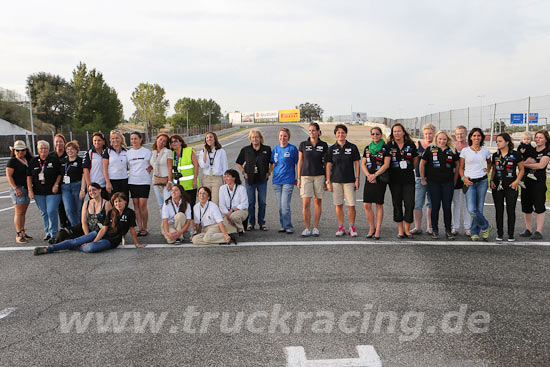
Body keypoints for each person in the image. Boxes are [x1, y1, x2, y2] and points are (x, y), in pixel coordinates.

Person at [34, 192, 143, 255]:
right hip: (98, 234)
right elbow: (104, 229)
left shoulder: (130, 213)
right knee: (74, 241)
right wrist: (94, 240)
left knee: (91, 248)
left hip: (111, 241)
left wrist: (137, 244)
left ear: (125, 201)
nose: (118, 203)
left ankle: (77, 247)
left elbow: (132, 229)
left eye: (120, 201)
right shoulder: (111, 212)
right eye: (115, 202)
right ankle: (48, 249)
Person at [419, 131, 459, 240]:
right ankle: (435, 230)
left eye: (444, 139)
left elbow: (457, 165)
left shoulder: (452, 150)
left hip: (448, 183)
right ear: (436, 138)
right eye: (440, 139)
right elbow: (422, 164)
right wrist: (423, 178)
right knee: (435, 207)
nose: (442, 141)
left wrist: (454, 181)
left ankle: (448, 231)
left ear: (448, 140)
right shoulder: (430, 149)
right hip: (433, 183)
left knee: (447, 207)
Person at [326, 124, 361, 237]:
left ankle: (352, 226)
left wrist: (357, 179)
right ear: (335, 134)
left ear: (346, 134)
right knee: (339, 205)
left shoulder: (352, 147)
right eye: (338, 133)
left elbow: (357, 163)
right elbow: (328, 166)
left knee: (351, 205)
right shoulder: (331, 149)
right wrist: (328, 181)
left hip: (349, 180)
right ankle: (341, 227)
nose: (340, 135)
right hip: (336, 181)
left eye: (343, 132)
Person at [458, 127, 493, 241]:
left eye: (479, 135)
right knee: (472, 209)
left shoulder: (485, 150)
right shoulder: (465, 151)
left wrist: (487, 170)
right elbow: (460, 168)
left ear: (482, 137)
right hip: (470, 182)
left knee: (479, 208)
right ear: (471, 137)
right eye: (474, 135)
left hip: (482, 182)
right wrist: (463, 178)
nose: (476, 137)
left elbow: (489, 163)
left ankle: (474, 232)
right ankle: (486, 226)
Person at [490, 133, 524, 242]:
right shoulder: (495, 155)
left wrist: (516, 182)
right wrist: (491, 180)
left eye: (500, 141)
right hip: (497, 186)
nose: (498, 143)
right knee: (498, 210)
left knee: (511, 210)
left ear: (507, 142)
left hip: (511, 185)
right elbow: (494, 169)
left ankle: (511, 234)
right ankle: (500, 233)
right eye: (497, 141)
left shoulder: (516, 154)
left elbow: (521, 170)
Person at [27, 140, 62, 244]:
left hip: (53, 191)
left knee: (51, 211)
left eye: (45, 148)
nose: (43, 150)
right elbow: (29, 176)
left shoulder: (54, 159)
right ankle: (47, 232)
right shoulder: (33, 161)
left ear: (48, 149)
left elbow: (60, 173)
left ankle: (54, 233)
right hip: (38, 192)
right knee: (44, 212)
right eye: (41, 148)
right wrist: (30, 190)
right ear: (38, 149)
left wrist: (56, 184)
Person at [236, 129, 272, 231]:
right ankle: (251, 223)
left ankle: (262, 223)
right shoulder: (246, 150)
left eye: (257, 137)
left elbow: (272, 162)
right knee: (250, 202)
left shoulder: (267, 149)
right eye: (253, 137)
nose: (255, 139)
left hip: (262, 179)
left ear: (260, 138)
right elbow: (239, 163)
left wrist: (269, 172)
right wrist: (244, 172)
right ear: (250, 139)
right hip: (250, 179)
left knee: (262, 202)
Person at [387, 123, 418, 238]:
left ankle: (407, 229)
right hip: (394, 179)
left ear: (403, 132)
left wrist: (409, 168)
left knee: (410, 204)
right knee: (397, 204)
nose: (397, 133)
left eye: (399, 131)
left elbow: (415, 160)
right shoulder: (389, 145)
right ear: (392, 133)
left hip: (408, 178)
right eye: (395, 131)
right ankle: (400, 230)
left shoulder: (410, 144)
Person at [297, 123, 328, 237]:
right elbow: (300, 162)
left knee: (318, 202)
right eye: (310, 130)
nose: (311, 132)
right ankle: (307, 228)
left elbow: (326, 163)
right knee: (306, 204)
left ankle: (315, 227)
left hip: (319, 176)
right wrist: (298, 178)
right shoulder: (303, 144)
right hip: (306, 176)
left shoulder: (324, 145)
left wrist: (327, 178)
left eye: (314, 130)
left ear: (318, 131)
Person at [361, 127, 390, 240]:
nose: (375, 136)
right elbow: (363, 163)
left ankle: (378, 229)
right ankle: (371, 228)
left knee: (378, 204)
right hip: (369, 178)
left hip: (380, 178)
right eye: (373, 134)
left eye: (377, 134)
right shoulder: (367, 148)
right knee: (366, 204)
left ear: (381, 134)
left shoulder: (385, 148)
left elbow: (386, 164)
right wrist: (368, 175)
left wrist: (375, 175)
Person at [520, 130, 550, 240]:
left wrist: (525, 164)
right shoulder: (530, 149)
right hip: (526, 182)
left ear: (546, 139)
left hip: (539, 183)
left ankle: (538, 231)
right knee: (526, 206)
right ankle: (528, 229)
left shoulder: (547, 151)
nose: (538, 139)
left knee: (539, 206)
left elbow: (541, 165)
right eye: (536, 137)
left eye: (541, 137)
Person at [270, 128, 299, 234]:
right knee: (280, 206)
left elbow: (298, 164)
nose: (283, 138)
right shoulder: (275, 149)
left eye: (285, 136)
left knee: (285, 205)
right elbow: (273, 164)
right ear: (278, 137)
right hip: (277, 181)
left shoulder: (292, 149)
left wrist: (298, 178)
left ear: (288, 137)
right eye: (281, 136)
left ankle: (289, 226)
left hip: (288, 181)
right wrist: (270, 174)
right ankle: (283, 225)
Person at [6, 140, 33, 243]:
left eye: (22, 150)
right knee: (18, 212)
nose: (20, 152)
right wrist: (15, 188)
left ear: (25, 151)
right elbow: (9, 176)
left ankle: (22, 231)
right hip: (18, 188)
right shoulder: (12, 161)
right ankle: (18, 234)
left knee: (23, 212)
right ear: (14, 151)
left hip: (26, 188)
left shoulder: (28, 159)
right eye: (17, 150)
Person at [127, 132, 152, 237]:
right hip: (132, 181)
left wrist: (150, 168)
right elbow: (127, 166)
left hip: (144, 181)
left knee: (142, 205)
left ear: (141, 139)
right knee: (136, 206)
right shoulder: (128, 153)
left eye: (136, 138)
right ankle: (140, 227)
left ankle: (145, 227)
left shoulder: (147, 152)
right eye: (132, 139)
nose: (133, 141)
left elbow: (153, 163)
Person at [412, 124, 435, 234]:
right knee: (417, 203)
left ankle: (429, 227)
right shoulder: (418, 144)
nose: (428, 135)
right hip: (419, 177)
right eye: (426, 133)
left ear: (434, 134)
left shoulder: (436, 145)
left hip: (433, 179)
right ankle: (417, 227)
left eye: (430, 133)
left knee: (430, 203)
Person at [170, 134, 199, 215]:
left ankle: (194, 225)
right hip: (178, 186)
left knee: (191, 205)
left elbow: (196, 165)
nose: (173, 143)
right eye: (171, 142)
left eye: (175, 141)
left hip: (190, 184)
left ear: (181, 142)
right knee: (180, 207)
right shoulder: (171, 154)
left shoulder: (189, 151)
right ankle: (183, 225)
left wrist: (195, 180)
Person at [451, 125, 471, 237]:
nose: (460, 136)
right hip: (455, 176)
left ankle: (468, 227)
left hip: (467, 176)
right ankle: (455, 227)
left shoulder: (470, 146)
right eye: (458, 134)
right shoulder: (452, 146)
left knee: (466, 203)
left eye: (462, 133)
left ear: (466, 134)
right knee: (456, 202)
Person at [60, 141, 86, 226]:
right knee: (69, 209)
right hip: (65, 188)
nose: (70, 151)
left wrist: (83, 189)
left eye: (72, 149)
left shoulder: (80, 161)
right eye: (68, 149)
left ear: (76, 150)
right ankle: (75, 227)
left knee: (79, 209)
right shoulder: (63, 161)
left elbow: (84, 175)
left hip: (77, 186)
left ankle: (81, 227)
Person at [198, 132, 228, 205]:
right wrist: (205, 151)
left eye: (211, 137)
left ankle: (215, 216)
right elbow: (204, 165)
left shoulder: (221, 151)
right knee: (205, 201)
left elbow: (225, 166)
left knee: (215, 201)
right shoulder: (202, 152)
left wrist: (226, 178)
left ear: (215, 139)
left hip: (217, 178)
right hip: (206, 178)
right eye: (207, 138)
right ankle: (206, 216)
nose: (209, 139)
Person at [218, 169, 249, 235]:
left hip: (240, 210)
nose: (226, 178)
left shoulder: (241, 188)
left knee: (233, 217)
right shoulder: (222, 188)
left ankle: (240, 229)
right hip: (226, 211)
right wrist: (227, 213)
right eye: (225, 176)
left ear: (234, 178)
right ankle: (234, 230)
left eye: (228, 176)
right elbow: (222, 205)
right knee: (224, 222)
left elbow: (244, 204)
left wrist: (231, 211)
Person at [52, 133, 71, 229]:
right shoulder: (51, 155)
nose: (59, 143)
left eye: (61, 141)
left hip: (67, 185)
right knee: (59, 208)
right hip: (55, 186)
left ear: (64, 143)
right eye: (57, 141)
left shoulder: (68, 154)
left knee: (68, 207)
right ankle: (63, 227)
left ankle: (72, 226)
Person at [102, 130, 129, 199]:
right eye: (113, 138)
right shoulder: (107, 151)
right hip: (112, 181)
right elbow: (104, 168)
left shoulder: (126, 151)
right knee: (113, 203)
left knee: (124, 202)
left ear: (121, 139)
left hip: (124, 180)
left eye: (117, 138)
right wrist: (108, 182)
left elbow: (129, 166)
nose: (115, 140)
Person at [150, 133, 173, 211]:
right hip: (156, 180)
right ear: (156, 140)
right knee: (160, 204)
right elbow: (153, 164)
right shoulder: (153, 152)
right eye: (160, 140)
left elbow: (170, 168)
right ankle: (164, 223)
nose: (161, 142)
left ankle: (171, 222)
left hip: (166, 180)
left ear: (166, 144)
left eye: (164, 141)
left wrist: (169, 181)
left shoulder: (168, 152)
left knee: (168, 203)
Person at [83, 132, 108, 200]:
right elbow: (85, 169)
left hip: (106, 186)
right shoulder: (89, 153)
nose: (97, 142)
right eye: (95, 140)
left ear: (103, 141)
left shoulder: (108, 152)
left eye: (99, 140)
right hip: (94, 186)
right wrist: (89, 185)